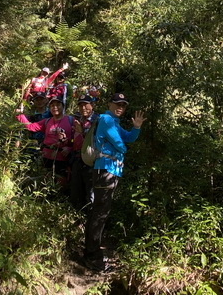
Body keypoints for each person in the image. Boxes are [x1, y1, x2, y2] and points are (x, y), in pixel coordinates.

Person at [84, 93, 146, 272]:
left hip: (110, 170)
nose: (120, 107)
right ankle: (92, 256)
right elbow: (120, 144)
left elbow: (128, 137)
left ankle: (92, 252)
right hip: (104, 170)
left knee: (101, 211)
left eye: (123, 105)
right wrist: (124, 148)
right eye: (117, 104)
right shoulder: (105, 119)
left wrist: (136, 128)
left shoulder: (115, 122)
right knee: (100, 213)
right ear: (109, 104)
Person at [16, 95, 74, 179]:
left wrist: (69, 148)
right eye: (52, 105)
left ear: (63, 106)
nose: (55, 107)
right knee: (45, 181)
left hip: (63, 158)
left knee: (61, 184)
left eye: (58, 105)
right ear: (49, 108)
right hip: (47, 157)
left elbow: (77, 139)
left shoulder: (71, 120)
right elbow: (31, 127)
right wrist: (20, 115)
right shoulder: (47, 121)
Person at [70, 94, 99, 212]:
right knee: (76, 189)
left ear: (92, 105)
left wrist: (81, 132)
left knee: (91, 190)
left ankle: (91, 217)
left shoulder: (98, 120)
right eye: (80, 105)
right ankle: (78, 216)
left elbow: (97, 140)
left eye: (85, 105)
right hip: (77, 157)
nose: (83, 108)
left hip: (91, 160)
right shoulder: (78, 120)